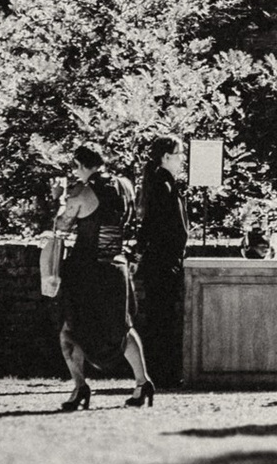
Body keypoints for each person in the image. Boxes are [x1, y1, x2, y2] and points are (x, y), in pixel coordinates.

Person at [52, 143, 154, 409]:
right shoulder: (125, 185)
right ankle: (142, 382)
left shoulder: (83, 192)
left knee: (70, 328)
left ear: (83, 165)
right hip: (117, 267)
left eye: (75, 166)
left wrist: (59, 198)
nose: (74, 172)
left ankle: (80, 387)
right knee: (123, 328)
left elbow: (61, 225)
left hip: (89, 270)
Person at [134, 135, 190, 393]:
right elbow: (160, 227)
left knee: (162, 319)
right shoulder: (162, 185)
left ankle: (161, 372)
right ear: (166, 157)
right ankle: (162, 374)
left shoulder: (162, 183)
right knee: (162, 321)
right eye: (179, 154)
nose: (183, 159)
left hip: (162, 262)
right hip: (163, 263)